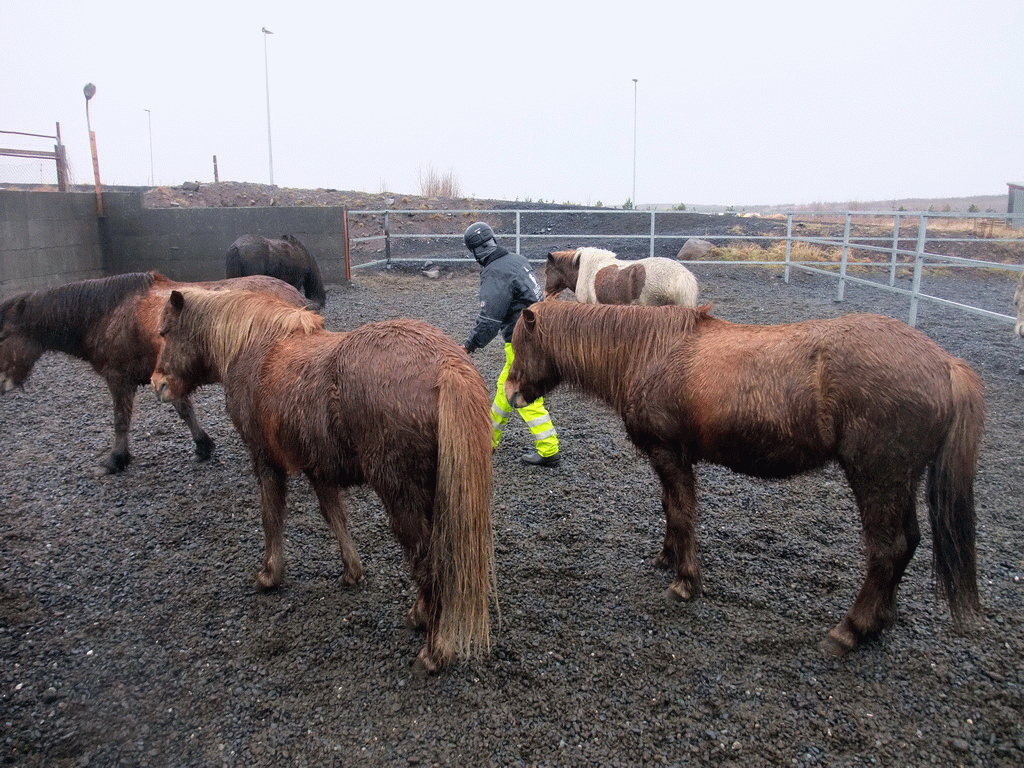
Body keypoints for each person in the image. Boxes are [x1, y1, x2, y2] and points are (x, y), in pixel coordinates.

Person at [460, 221, 560, 467]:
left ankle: (549, 450)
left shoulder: (495, 271)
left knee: (522, 393)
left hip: (521, 342)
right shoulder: (517, 259)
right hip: (538, 334)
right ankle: (488, 440)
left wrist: (468, 347)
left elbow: (488, 319)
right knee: (505, 389)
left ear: (475, 251)